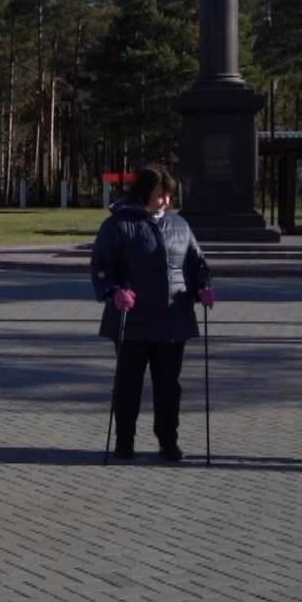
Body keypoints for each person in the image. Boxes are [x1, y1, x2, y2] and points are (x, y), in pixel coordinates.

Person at [89, 165, 213, 463]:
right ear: (145, 193)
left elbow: (196, 262)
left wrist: (203, 287)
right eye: (161, 196)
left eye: (170, 196)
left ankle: (168, 440)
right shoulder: (117, 225)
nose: (167, 202)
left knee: (169, 386)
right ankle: (124, 441)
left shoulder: (180, 225)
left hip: (173, 319)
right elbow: (101, 264)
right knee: (129, 383)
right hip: (132, 319)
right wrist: (114, 290)